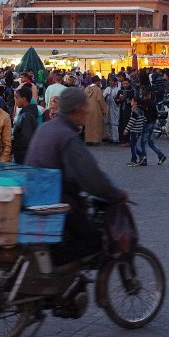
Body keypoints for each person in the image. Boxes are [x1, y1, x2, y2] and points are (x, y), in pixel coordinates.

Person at [25, 87, 127, 263]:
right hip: (55, 202)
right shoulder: (67, 136)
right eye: (85, 107)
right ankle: (59, 277)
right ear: (78, 109)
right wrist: (115, 194)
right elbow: (90, 176)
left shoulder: (47, 128)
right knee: (93, 240)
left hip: (34, 197)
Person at [11, 85, 39, 164]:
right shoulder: (26, 113)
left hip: (23, 155)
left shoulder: (26, 115)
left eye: (17, 97)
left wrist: (13, 146)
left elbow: (26, 138)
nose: (15, 100)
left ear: (24, 99)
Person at [140, 89, 167, 166]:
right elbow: (156, 113)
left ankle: (144, 159)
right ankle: (161, 155)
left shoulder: (144, 103)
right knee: (150, 141)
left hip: (146, 123)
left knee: (143, 142)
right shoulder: (152, 103)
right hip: (152, 122)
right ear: (149, 95)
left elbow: (143, 110)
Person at [83, 76, 107, 145]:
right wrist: (104, 110)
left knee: (88, 125)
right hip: (96, 109)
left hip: (87, 109)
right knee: (96, 125)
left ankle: (88, 139)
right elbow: (101, 100)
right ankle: (95, 140)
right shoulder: (98, 89)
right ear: (97, 81)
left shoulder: (86, 89)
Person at [122, 96, 145, 167]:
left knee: (133, 146)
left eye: (132, 101)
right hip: (139, 130)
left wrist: (126, 129)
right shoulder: (141, 110)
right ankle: (141, 156)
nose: (131, 102)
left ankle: (134, 160)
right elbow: (144, 120)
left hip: (134, 130)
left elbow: (131, 121)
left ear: (135, 103)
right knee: (133, 145)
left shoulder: (135, 111)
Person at [102, 77, 120, 143]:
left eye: (112, 81)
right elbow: (103, 97)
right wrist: (106, 96)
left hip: (114, 108)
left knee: (114, 123)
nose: (111, 82)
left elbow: (119, 100)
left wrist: (115, 98)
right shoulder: (107, 89)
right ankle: (109, 137)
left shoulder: (118, 90)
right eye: (110, 81)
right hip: (107, 107)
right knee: (107, 122)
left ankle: (115, 138)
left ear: (115, 82)